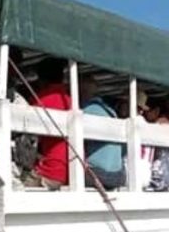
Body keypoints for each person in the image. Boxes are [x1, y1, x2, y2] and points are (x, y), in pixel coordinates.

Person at [25, 58, 71, 190]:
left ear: (41, 79)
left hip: (52, 171)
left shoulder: (40, 99)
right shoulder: (70, 100)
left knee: (16, 185)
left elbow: (29, 138)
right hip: (74, 171)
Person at [80, 75, 125, 190]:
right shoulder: (112, 112)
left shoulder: (85, 112)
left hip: (98, 175)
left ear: (81, 91)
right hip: (118, 176)